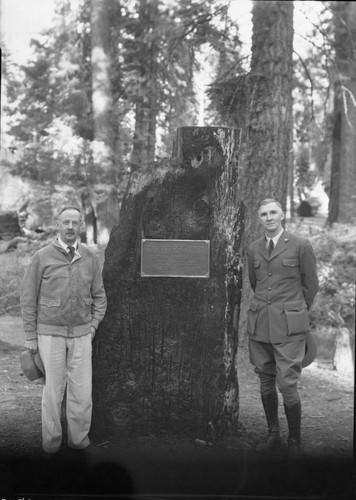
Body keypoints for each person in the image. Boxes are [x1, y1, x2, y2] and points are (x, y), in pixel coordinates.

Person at [21, 206, 107, 456]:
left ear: (81, 227)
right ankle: (51, 444)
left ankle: (79, 440)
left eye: (74, 223)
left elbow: (99, 296)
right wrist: (30, 336)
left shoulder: (90, 257)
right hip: (50, 334)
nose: (70, 227)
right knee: (53, 391)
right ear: (57, 225)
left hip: (82, 335)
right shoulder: (42, 256)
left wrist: (93, 325)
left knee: (82, 391)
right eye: (65, 222)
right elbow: (28, 298)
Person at [247, 198, 319, 455]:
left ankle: (295, 442)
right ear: (259, 219)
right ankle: (273, 434)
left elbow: (311, 286)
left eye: (273, 212)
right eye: (264, 214)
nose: (269, 217)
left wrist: (295, 312)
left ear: (282, 214)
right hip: (260, 324)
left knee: (287, 383)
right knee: (265, 378)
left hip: (289, 326)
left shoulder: (300, 245)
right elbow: (255, 283)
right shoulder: (254, 248)